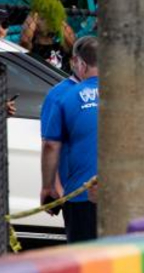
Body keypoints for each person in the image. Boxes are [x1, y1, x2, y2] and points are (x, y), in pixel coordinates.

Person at [40, 35, 101, 243]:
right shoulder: (126, 94)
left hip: (80, 194)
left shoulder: (67, 98)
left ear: (81, 64)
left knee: (86, 260)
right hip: (118, 193)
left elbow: (50, 145)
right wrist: (56, 188)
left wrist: (48, 188)